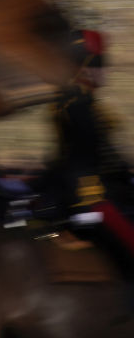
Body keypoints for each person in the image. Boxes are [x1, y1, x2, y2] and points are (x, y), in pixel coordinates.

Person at [50, 30, 134, 274]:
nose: (105, 72)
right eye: (100, 66)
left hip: (103, 191)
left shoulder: (80, 102)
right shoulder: (78, 105)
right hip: (91, 200)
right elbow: (83, 159)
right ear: (85, 68)